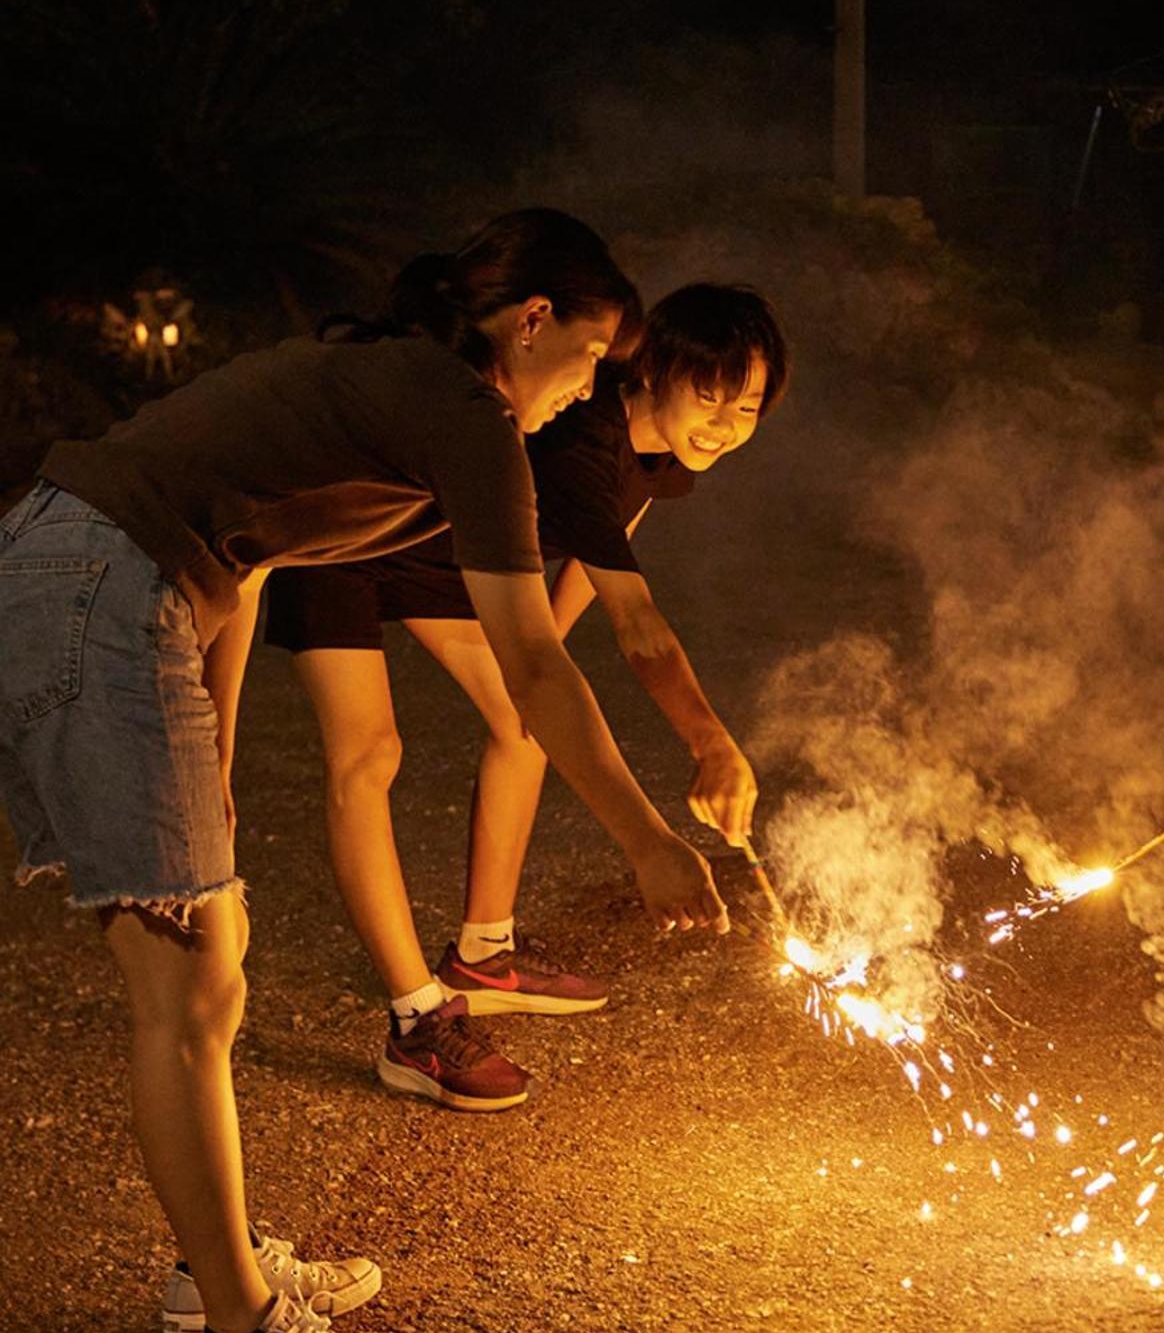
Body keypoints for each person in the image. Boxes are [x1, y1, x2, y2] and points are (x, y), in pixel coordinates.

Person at [0, 209, 728, 1333]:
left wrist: (216, 745)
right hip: (101, 582)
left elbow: (253, 550)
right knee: (184, 986)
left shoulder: (400, 389)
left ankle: (211, 1269)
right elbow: (536, 665)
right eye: (591, 357)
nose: (592, 388)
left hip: (101, 574)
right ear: (530, 321)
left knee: (210, 958)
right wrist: (648, 842)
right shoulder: (464, 411)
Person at [262, 284, 787, 1109]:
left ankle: (483, 953)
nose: (725, 424)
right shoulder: (582, 437)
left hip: (440, 560)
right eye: (709, 396)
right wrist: (710, 744)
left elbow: (594, 553)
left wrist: (543, 670)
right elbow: (640, 627)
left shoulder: (660, 457)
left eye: (748, 405)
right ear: (651, 371)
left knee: (526, 724)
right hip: (342, 537)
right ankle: (416, 1023)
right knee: (369, 754)